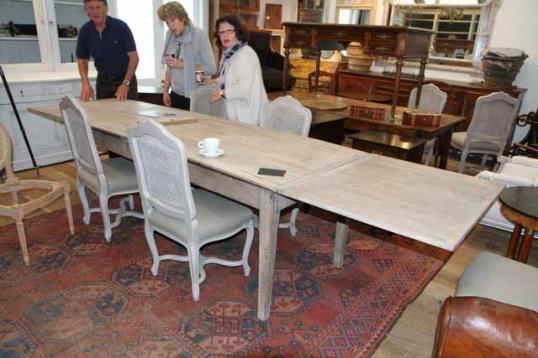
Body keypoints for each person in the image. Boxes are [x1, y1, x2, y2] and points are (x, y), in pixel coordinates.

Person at [76, 0, 139, 101]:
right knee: (104, 115)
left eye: (98, 7)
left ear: (105, 8)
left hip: (125, 79)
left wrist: (125, 83)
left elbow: (134, 58)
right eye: (90, 8)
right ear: (86, 10)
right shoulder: (85, 31)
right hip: (103, 82)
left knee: (127, 115)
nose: (94, 12)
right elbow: (82, 60)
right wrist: (85, 84)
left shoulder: (121, 27)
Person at [210, 15, 268, 126]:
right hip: (235, 113)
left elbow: (244, 89)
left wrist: (221, 93)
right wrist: (213, 81)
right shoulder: (228, 53)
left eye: (229, 31)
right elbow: (228, 78)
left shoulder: (246, 54)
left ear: (238, 32)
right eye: (221, 32)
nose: (225, 36)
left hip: (249, 116)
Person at [158, 1, 216, 110]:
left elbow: (211, 68)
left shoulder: (199, 35)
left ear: (183, 18)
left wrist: (183, 64)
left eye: (173, 20)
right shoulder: (169, 35)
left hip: (195, 94)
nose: (170, 26)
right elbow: (169, 67)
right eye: (167, 22)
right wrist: (166, 91)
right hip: (175, 93)